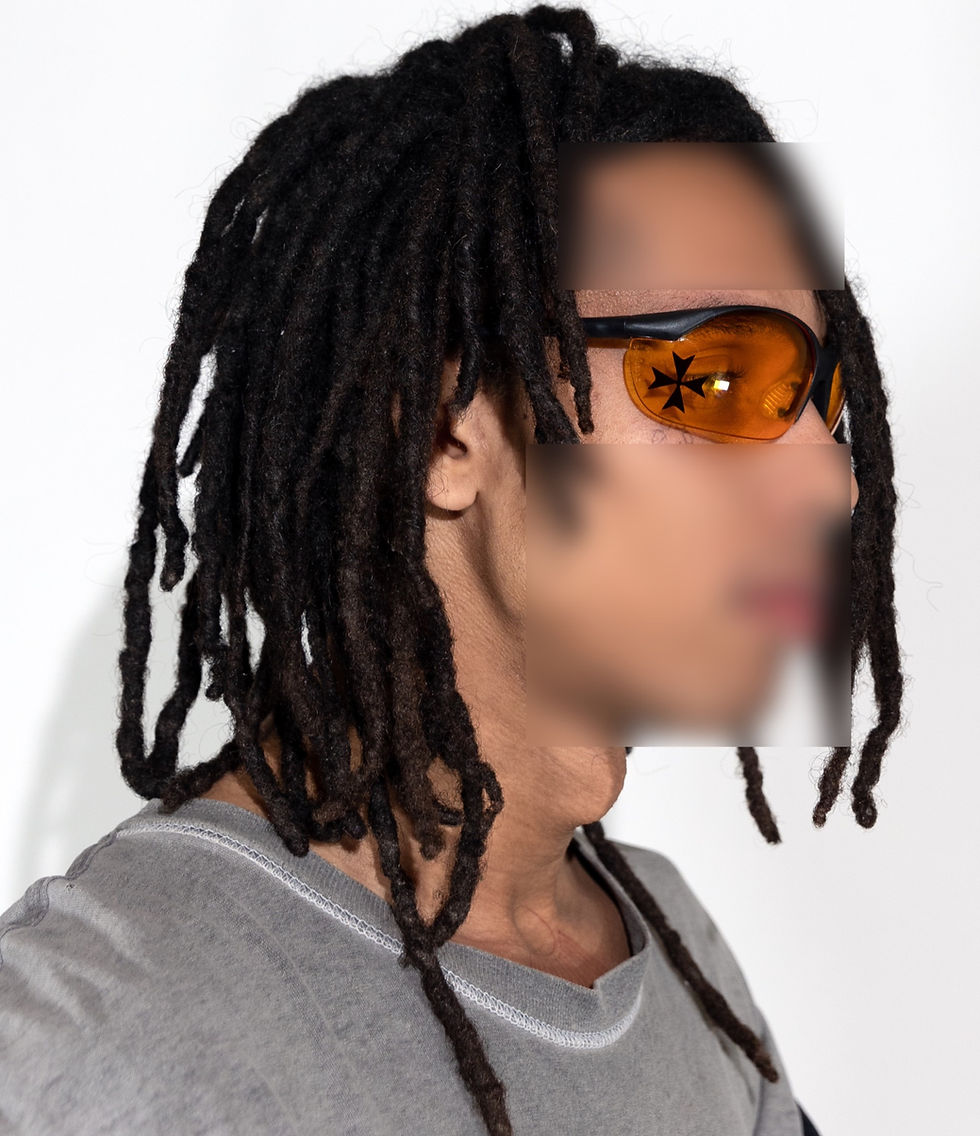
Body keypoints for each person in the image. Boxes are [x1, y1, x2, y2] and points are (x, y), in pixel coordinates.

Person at [0, 5, 902, 1134]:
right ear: (443, 427)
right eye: (719, 380)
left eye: (820, 402)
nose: (829, 481)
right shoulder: (86, 1035)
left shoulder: (675, 954)